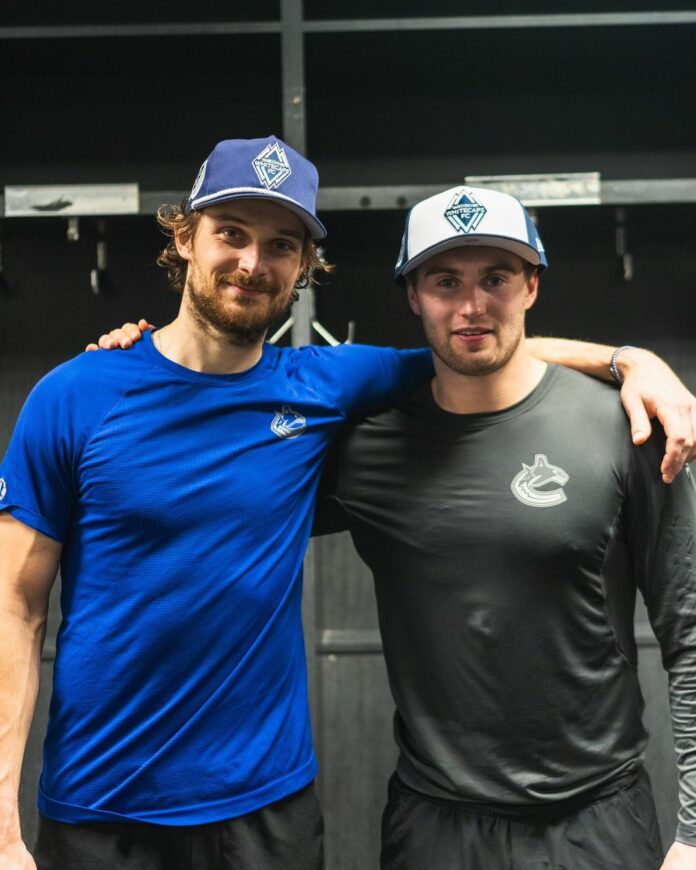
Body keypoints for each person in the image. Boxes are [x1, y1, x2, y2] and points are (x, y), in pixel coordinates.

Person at [0, 139, 693, 870]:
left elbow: (478, 349)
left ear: (304, 266)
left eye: (281, 244)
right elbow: (13, 610)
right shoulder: (74, 395)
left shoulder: (325, 387)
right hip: (101, 809)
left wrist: (630, 359)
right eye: (230, 233)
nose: (251, 262)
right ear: (184, 237)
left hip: (267, 813)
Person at [312, 185, 696, 869]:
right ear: (412, 294)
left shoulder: (625, 426)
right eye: (444, 281)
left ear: (531, 287)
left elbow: (691, 635)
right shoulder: (366, 448)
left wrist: (695, 834)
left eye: (496, 278)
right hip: (434, 828)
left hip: (596, 822)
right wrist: (135, 355)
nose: (470, 305)